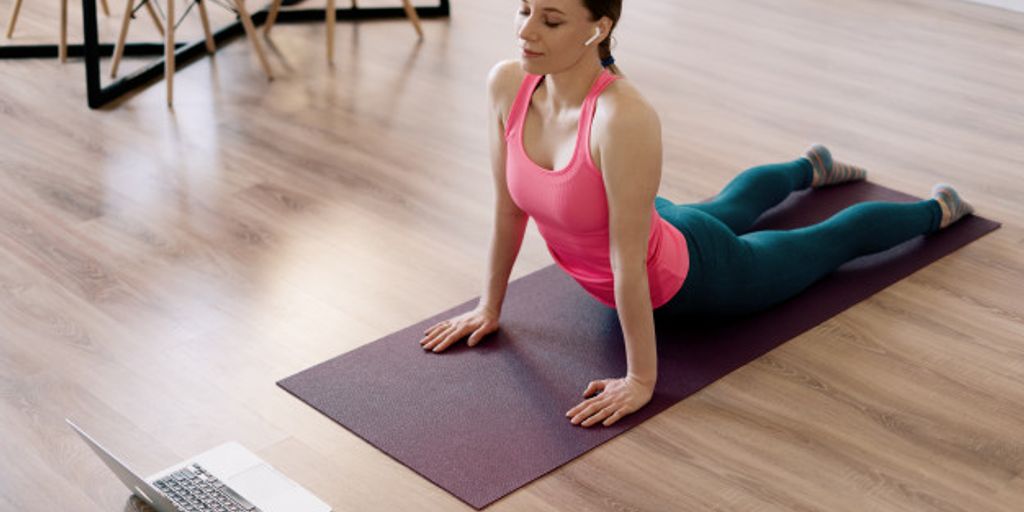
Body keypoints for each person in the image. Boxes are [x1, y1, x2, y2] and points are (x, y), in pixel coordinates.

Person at [417, 0, 975, 429]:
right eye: (524, 9)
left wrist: (641, 378)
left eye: (552, 20)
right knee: (728, 205)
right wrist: (489, 307)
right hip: (641, 225)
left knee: (825, 243)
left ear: (597, 29)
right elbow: (509, 208)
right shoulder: (507, 84)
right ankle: (811, 167)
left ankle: (935, 210)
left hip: (695, 275)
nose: (525, 30)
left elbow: (628, 260)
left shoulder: (622, 116)